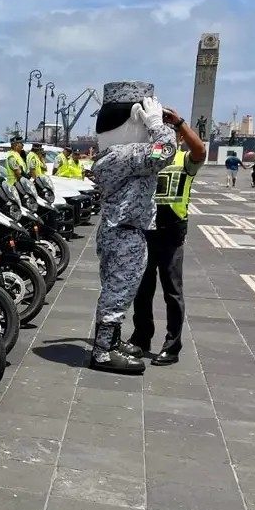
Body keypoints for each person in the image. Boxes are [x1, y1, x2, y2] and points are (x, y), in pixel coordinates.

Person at [87, 81, 178, 374]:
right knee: (118, 292)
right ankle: (103, 352)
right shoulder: (130, 154)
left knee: (117, 289)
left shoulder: (116, 153)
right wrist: (156, 123)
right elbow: (165, 151)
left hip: (117, 229)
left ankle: (110, 341)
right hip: (125, 232)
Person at [122, 127, 206, 366]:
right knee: (142, 289)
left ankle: (172, 345)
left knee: (173, 292)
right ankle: (141, 337)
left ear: (179, 138)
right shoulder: (153, 159)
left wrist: (180, 123)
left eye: (172, 135)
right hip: (146, 231)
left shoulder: (184, 160)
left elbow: (200, 149)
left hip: (171, 233)